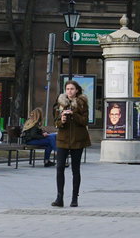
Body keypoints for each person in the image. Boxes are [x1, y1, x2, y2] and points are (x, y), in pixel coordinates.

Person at [52, 80, 91, 208]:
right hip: (63, 139)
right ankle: (59, 198)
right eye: (67, 89)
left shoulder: (82, 103)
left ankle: (74, 198)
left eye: (72, 89)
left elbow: (84, 121)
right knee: (59, 168)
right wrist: (61, 120)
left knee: (75, 169)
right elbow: (56, 122)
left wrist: (73, 114)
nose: (70, 91)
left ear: (77, 90)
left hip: (78, 140)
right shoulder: (60, 103)